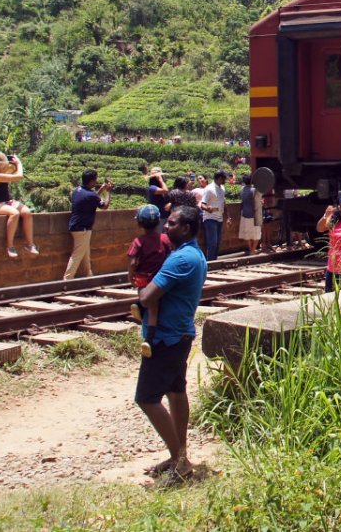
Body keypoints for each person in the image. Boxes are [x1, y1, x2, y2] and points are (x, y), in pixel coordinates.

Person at [136, 206, 208, 481]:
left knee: (146, 398)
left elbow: (147, 296)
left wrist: (143, 289)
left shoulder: (181, 259)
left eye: (173, 223)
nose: (166, 226)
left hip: (165, 337)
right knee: (176, 392)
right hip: (180, 334)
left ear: (187, 228)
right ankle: (179, 455)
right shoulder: (194, 254)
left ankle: (180, 459)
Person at [0, 151, 38, 258]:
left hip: (8, 201)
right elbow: (19, 176)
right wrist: (18, 164)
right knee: (14, 214)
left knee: (27, 213)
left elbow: (8, 170)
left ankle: (30, 244)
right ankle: (10, 246)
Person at [128, 204, 172, 326]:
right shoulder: (165, 238)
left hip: (143, 279)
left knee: (147, 302)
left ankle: (141, 307)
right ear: (159, 222)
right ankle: (151, 336)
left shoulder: (138, 241)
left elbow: (133, 262)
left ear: (139, 223)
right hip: (160, 278)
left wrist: (130, 275)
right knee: (155, 307)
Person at [64, 169, 112, 280]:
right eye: (95, 180)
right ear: (91, 181)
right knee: (77, 255)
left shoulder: (77, 191)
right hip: (83, 228)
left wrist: (100, 191)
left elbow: (90, 199)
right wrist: (108, 192)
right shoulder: (91, 195)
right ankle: (67, 280)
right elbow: (104, 206)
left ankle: (89, 277)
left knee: (85, 253)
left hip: (75, 226)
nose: (96, 182)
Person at [199, 170, 227, 261]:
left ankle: (214, 260)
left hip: (220, 218)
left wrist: (228, 215)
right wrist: (208, 209)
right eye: (224, 179)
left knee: (218, 242)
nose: (225, 181)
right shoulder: (209, 189)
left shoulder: (222, 188)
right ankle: (210, 262)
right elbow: (202, 204)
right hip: (210, 218)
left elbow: (224, 202)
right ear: (219, 178)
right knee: (212, 242)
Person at [237, 174, 263, 255]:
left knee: (247, 234)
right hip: (254, 215)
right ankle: (253, 250)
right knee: (257, 234)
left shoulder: (242, 189)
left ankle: (250, 248)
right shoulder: (255, 190)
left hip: (245, 214)